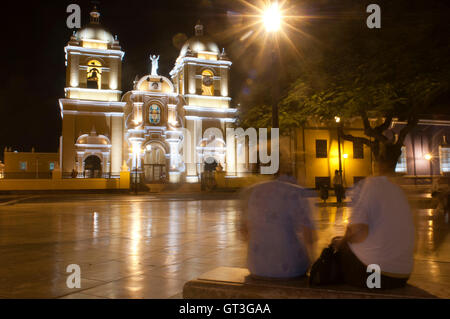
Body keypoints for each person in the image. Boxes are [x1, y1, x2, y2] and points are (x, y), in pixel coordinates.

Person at [332, 161, 415, 289]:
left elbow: (359, 231)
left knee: (340, 248)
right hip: (402, 276)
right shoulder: (398, 190)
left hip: (377, 278)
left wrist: (342, 242)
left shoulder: (370, 185)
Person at [240, 163, 316, 279]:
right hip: (291, 268)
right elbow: (309, 235)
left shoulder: (253, 191)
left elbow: (244, 231)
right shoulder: (296, 192)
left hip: (257, 267)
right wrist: (312, 260)